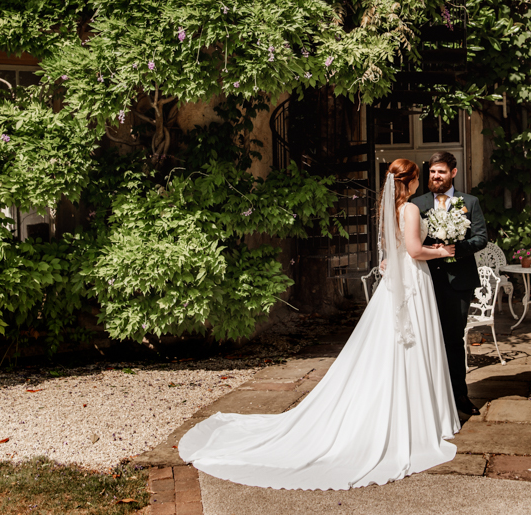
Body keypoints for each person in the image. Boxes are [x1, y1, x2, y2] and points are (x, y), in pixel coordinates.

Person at [178, 159, 460, 490]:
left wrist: (393, 259)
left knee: (391, 347)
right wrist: (442, 251)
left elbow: (394, 250)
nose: (420, 182)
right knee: (411, 344)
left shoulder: (390, 209)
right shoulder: (410, 208)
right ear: (410, 181)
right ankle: (416, 418)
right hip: (412, 282)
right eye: (418, 177)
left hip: (398, 283)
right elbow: (412, 250)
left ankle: (402, 410)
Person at [411, 151, 488, 417]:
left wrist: (456, 248)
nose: (436, 176)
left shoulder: (470, 202)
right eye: (432, 172)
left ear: (453, 173)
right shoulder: (417, 203)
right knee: (425, 338)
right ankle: (429, 397)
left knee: (453, 339)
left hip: (459, 282)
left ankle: (459, 396)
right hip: (426, 280)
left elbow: (481, 238)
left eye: (441, 172)